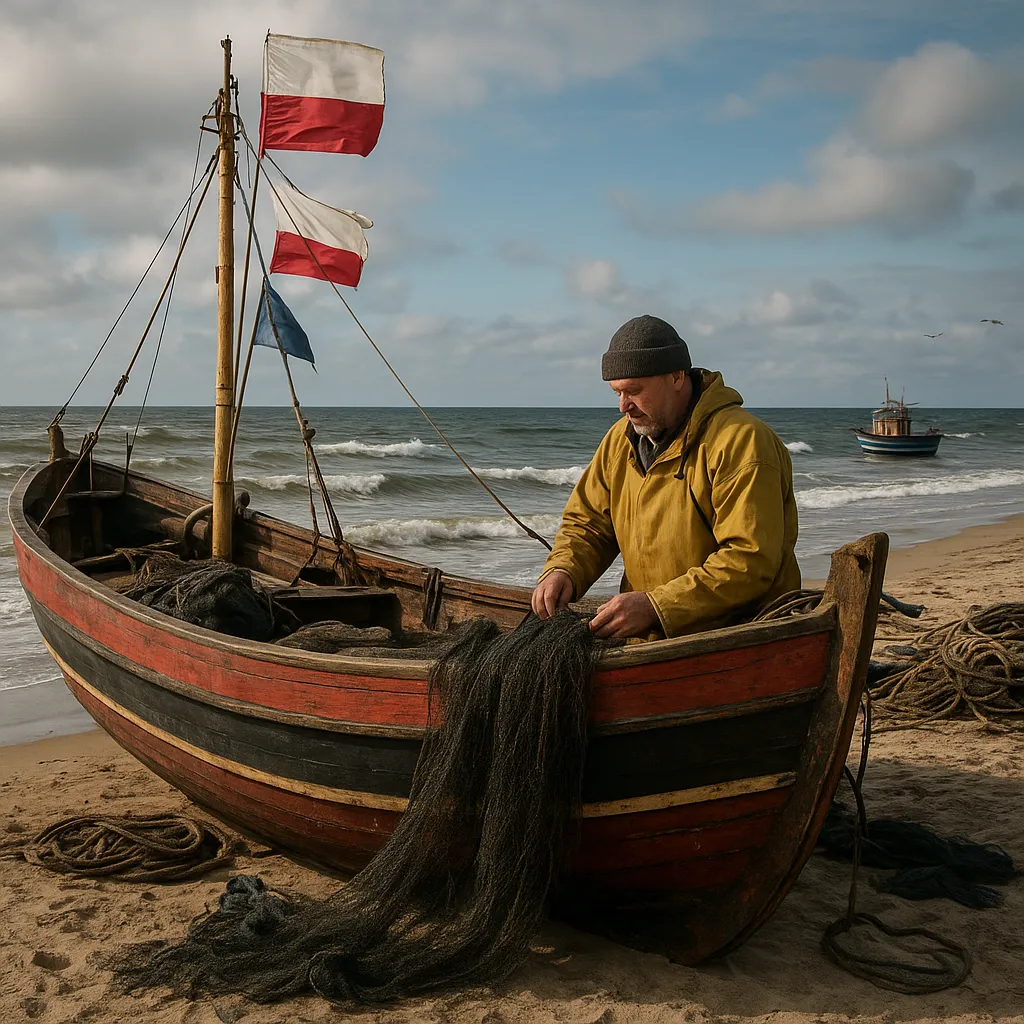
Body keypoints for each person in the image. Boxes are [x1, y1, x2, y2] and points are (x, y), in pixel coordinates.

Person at [531, 315, 800, 639]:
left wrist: (657, 607)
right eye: (616, 392)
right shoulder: (620, 440)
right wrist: (564, 570)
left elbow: (750, 561)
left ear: (676, 377)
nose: (623, 406)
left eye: (633, 391)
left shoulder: (741, 441)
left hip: (740, 638)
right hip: (649, 637)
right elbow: (588, 523)